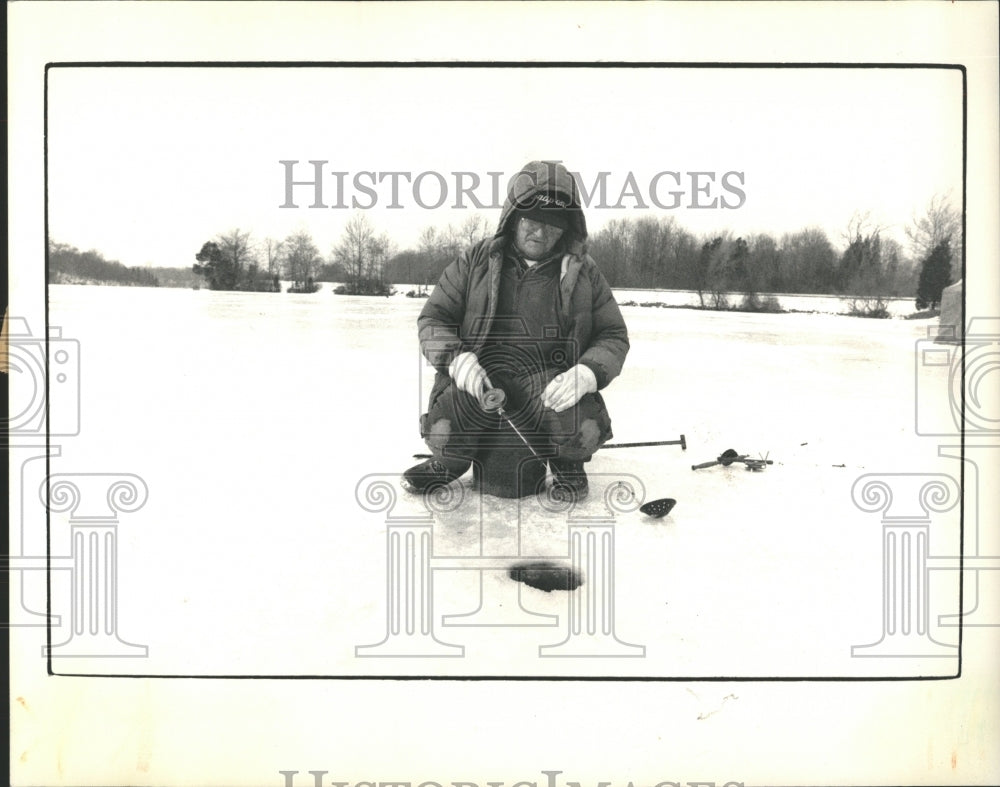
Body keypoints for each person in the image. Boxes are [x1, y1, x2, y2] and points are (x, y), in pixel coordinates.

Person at [401, 160, 629, 499]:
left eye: (553, 224)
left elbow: (613, 335)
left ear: (567, 227)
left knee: (583, 427)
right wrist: (456, 359)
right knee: (444, 431)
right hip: (483, 376)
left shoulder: (585, 272)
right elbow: (433, 319)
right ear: (513, 216)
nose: (541, 232)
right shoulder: (476, 260)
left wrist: (587, 372)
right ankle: (447, 462)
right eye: (532, 220)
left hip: (547, 379)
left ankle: (568, 464)